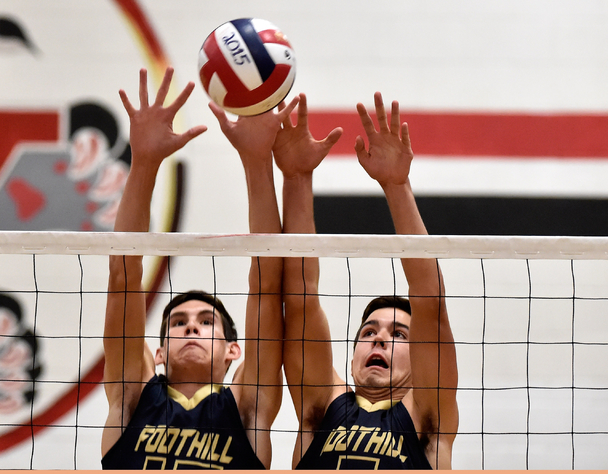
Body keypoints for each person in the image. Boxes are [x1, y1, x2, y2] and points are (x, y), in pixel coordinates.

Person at [101, 67, 297, 470]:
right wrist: (143, 164)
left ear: (233, 352)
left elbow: (266, 283)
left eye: (207, 322)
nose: (191, 327)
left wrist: (257, 162)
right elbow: (124, 270)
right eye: (177, 323)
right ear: (157, 354)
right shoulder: (132, 397)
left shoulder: (248, 407)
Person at [276, 92, 459, 469]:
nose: (379, 338)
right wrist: (296, 177)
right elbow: (300, 297)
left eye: (399, 334)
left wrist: (396, 186)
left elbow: (430, 301)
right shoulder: (322, 403)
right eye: (369, 331)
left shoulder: (427, 414)